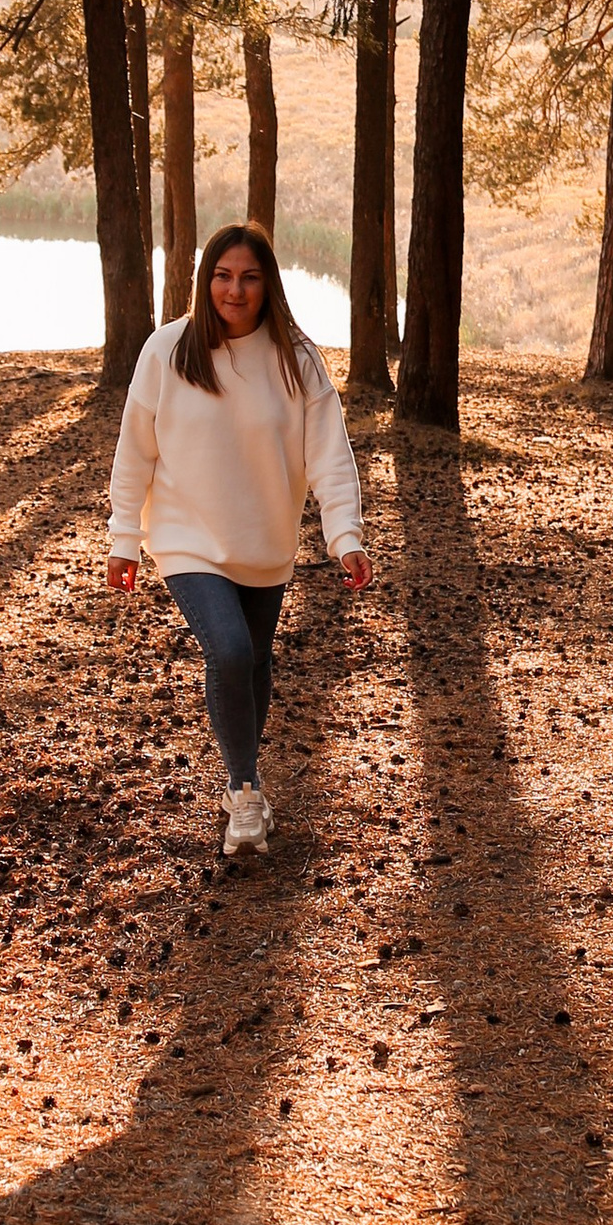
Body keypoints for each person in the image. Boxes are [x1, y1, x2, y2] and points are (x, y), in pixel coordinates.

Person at [106, 221, 370, 854]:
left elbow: (329, 454)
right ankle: (245, 792)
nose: (235, 289)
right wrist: (124, 535)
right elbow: (134, 450)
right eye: (223, 276)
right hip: (187, 537)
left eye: (249, 277)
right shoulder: (167, 350)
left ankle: (244, 786)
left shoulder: (296, 359)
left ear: (268, 284)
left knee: (253, 662)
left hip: (264, 540)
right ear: (206, 281)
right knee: (227, 652)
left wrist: (345, 533)